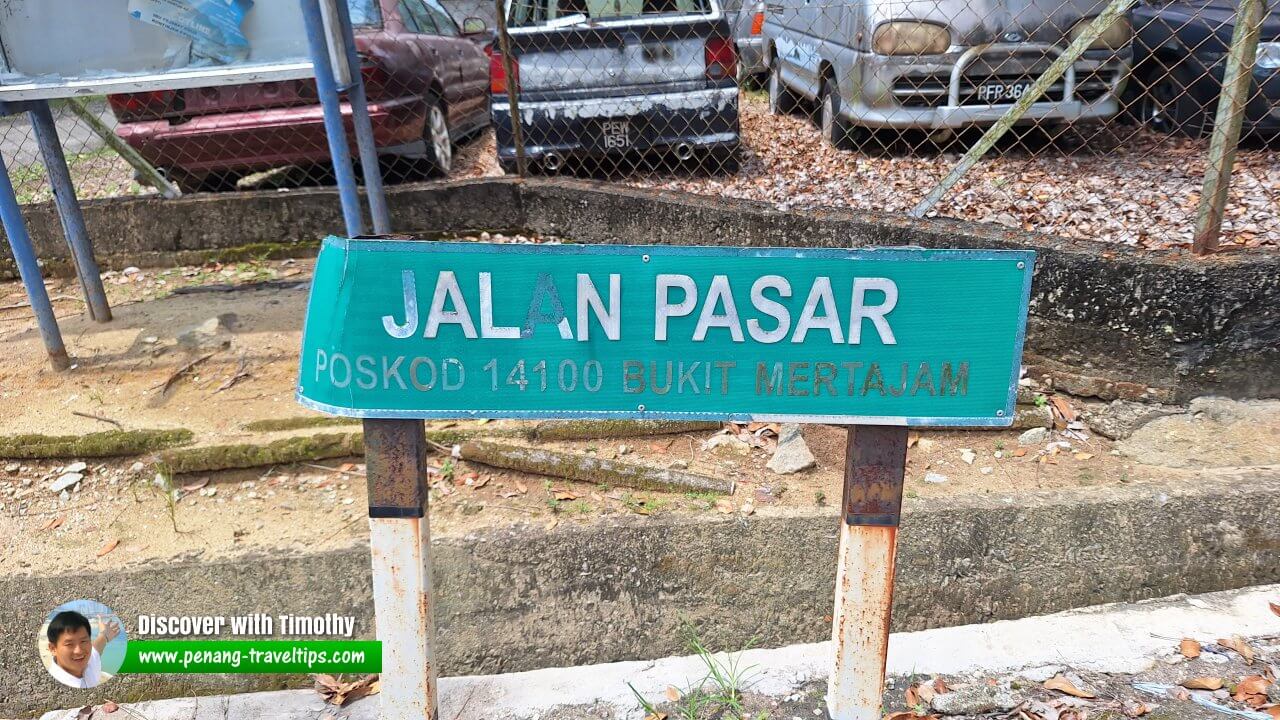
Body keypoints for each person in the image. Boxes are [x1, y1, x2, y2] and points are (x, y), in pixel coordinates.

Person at [45, 610, 120, 689]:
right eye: (69, 644)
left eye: (83, 641)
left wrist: (104, 635)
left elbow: (96, 649)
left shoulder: (88, 663)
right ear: (53, 649)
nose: (79, 651)